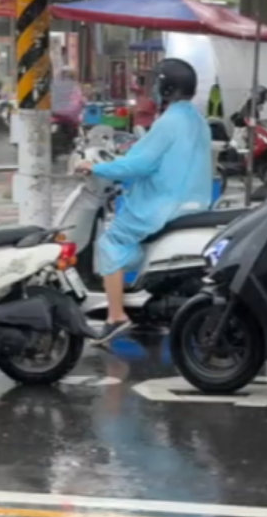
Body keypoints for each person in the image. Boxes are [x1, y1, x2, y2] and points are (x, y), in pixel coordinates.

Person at [75, 58, 213, 343]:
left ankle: (116, 316)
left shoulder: (169, 121)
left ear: (166, 87)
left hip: (164, 205)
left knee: (111, 241)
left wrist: (96, 168)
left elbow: (138, 165)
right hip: (194, 203)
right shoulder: (198, 120)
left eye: (156, 84)